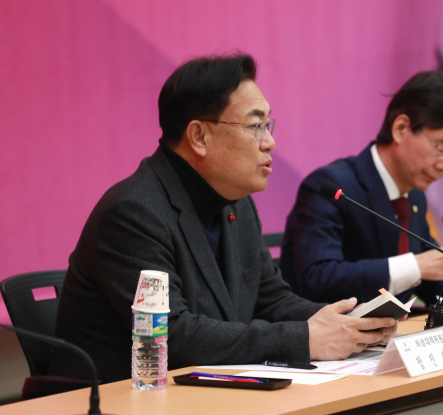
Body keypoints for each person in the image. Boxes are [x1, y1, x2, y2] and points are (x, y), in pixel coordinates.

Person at [48, 53, 399, 384]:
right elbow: (173, 336)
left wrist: (351, 324)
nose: (270, 142)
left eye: (268, 125)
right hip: (120, 399)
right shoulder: (133, 213)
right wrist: (305, 338)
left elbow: (272, 302)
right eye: (256, 126)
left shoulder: (236, 204)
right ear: (199, 136)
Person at [280, 71, 443, 308]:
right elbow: (316, 278)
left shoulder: (414, 195)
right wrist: (417, 265)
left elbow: (426, 279)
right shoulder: (332, 187)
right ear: (401, 128)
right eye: (441, 149)